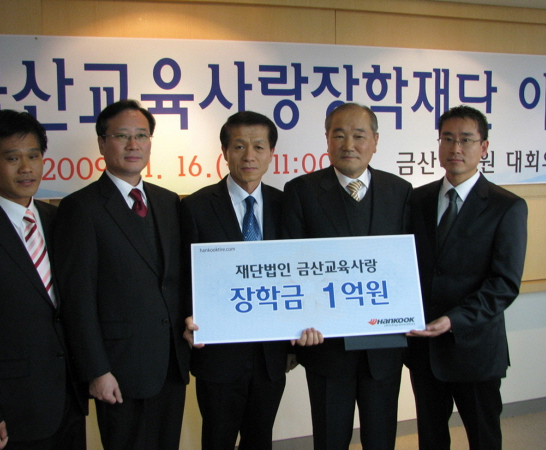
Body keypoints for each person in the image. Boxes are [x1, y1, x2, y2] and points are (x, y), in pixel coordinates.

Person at [54, 99, 190, 450]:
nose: (133, 145)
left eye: (141, 136)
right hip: (119, 370)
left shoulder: (168, 201)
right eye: (122, 136)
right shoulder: (80, 208)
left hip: (170, 364)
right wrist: (96, 370)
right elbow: (77, 300)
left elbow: (176, 280)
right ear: (102, 143)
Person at [181, 111, 322, 450]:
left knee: (260, 440)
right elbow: (184, 275)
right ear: (225, 151)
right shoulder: (196, 207)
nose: (249, 156)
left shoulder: (285, 204)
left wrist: (300, 331)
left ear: (271, 153)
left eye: (259, 146)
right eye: (239, 146)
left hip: (270, 356)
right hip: (218, 355)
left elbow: (299, 270)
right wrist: (186, 319)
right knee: (217, 440)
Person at [281, 102, 412, 450]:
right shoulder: (301, 191)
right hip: (327, 347)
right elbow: (291, 267)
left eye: (359, 135)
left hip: (383, 346)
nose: (348, 144)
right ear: (327, 139)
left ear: (375, 141)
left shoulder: (400, 192)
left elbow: (406, 267)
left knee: (381, 439)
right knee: (330, 439)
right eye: (339, 135)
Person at [0, 110, 87, 450]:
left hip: (69, 400)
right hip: (12, 409)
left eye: (34, 156)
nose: (26, 168)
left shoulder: (60, 220)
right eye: (12, 158)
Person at [406, 105, 528, 450]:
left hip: (475, 348)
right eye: (447, 139)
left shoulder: (507, 206)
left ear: (483, 147)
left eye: (466, 140)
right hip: (425, 349)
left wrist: (454, 320)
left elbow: (504, 284)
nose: (455, 148)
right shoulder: (417, 199)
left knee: (483, 438)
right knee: (430, 438)